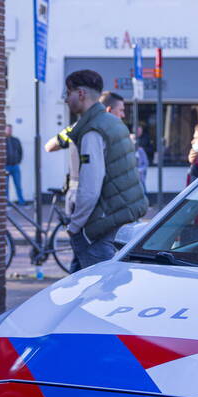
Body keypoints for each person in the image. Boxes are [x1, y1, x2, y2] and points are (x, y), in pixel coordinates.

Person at [63, 70, 148, 269]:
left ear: (81, 94)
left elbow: (90, 186)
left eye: (68, 93)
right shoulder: (114, 123)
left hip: (100, 225)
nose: (66, 100)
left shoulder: (92, 130)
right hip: (120, 217)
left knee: (95, 291)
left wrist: (75, 227)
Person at [4, 124, 26, 204]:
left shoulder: (16, 140)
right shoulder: (1, 140)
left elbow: (20, 151)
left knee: (18, 185)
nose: (9, 131)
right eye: (8, 129)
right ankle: (7, 203)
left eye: (10, 129)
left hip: (15, 166)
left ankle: (21, 201)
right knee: (5, 186)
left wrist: (18, 161)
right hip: (5, 167)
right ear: (4, 130)